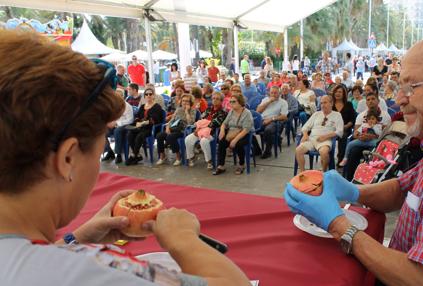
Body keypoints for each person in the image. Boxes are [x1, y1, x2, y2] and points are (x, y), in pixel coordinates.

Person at [0, 29, 250, 286]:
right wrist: (185, 241)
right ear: (68, 159)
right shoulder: (99, 271)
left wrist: (75, 240)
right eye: (98, 153)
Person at [285, 33, 423, 285]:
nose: (399, 98)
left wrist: (337, 224)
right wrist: (352, 192)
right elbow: (402, 189)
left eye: (411, 87)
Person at [295, 95, 343, 173]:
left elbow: (340, 131)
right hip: (311, 139)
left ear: (331, 103)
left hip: (325, 140)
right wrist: (305, 135)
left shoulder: (337, 115)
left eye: (325, 102)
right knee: (298, 150)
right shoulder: (316, 114)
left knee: (324, 152)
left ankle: (323, 172)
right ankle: (302, 172)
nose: (323, 105)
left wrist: (325, 137)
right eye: (321, 103)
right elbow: (305, 127)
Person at [213, 93, 254, 175]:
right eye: (230, 101)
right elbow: (224, 123)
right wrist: (222, 130)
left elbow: (246, 130)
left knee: (239, 144)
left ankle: (241, 164)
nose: (231, 104)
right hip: (231, 132)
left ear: (240, 102)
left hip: (244, 133)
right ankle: (221, 165)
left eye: (233, 102)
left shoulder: (247, 113)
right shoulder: (231, 111)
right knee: (221, 141)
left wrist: (235, 140)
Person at [185, 92, 228, 169]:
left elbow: (214, 123)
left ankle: (209, 161)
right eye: (213, 98)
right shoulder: (208, 109)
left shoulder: (223, 112)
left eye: (217, 99)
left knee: (203, 141)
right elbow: (200, 119)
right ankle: (192, 157)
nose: (214, 100)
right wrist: (198, 128)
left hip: (212, 133)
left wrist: (202, 124)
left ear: (221, 101)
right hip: (201, 131)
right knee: (188, 139)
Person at [126, 89, 165, 166]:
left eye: (150, 94)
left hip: (151, 128)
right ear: (144, 96)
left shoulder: (157, 106)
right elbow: (137, 116)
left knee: (140, 136)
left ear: (153, 96)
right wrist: (137, 122)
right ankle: (137, 155)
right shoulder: (143, 106)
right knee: (130, 134)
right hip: (140, 127)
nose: (148, 96)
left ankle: (134, 155)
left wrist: (143, 123)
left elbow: (156, 119)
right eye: (146, 94)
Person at [156, 94, 197, 166]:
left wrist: (187, 111)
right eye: (183, 101)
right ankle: (162, 156)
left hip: (184, 130)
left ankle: (178, 157)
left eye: (187, 101)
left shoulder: (193, 110)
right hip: (174, 128)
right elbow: (172, 120)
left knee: (170, 137)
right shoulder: (178, 109)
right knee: (159, 136)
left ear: (190, 102)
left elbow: (191, 122)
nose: (184, 102)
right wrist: (168, 126)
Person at [102, 89, 134, 164]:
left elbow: (130, 120)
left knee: (117, 131)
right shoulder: (112, 105)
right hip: (113, 125)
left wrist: (116, 123)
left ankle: (118, 154)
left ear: (123, 96)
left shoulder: (128, 106)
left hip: (124, 126)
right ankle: (109, 151)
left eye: (119, 96)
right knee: (102, 131)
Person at [256, 86, 289, 159]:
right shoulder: (265, 99)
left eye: (275, 93)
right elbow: (258, 111)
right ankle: (257, 150)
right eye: (272, 93)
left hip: (274, 121)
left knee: (268, 130)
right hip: (262, 119)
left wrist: (271, 119)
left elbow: (284, 116)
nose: (273, 94)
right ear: (269, 93)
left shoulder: (283, 102)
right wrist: (268, 102)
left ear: (279, 93)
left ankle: (268, 151)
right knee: (248, 128)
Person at [331, 84, 356, 168]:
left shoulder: (348, 104)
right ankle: (329, 159)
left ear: (343, 94)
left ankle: (340, 158)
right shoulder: (330, 104)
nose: (337, 93)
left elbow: (352, 119)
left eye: (340, 92)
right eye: (336, 92)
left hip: (344, 128)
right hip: (331, 129)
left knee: (343, 135)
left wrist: (346, 126)